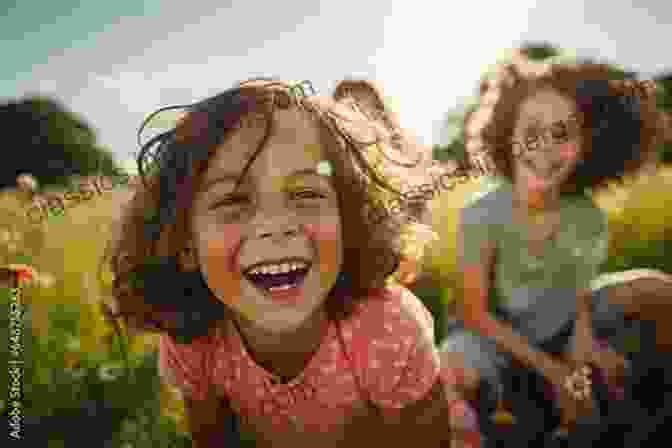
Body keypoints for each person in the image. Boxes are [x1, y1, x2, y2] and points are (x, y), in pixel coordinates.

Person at [100, 78, 481, 447]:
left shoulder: (388, 327)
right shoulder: (190, 339)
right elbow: (212, 438)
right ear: (184, 243)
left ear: (349, 222)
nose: (277, 226)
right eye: (233, 201)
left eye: (304, 193)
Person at [439, 62, 672, 444]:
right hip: (491, 340)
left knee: (656, 289)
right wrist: (553, 372)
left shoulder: (587, 218)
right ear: (507, 135)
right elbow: (474, 313)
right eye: (531, 132)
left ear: (584, 147)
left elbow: (578, 300)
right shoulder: (482, 213)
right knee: (453, 365)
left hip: (559, 329)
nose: (545, 147)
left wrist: (581, 359)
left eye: (562, 134)